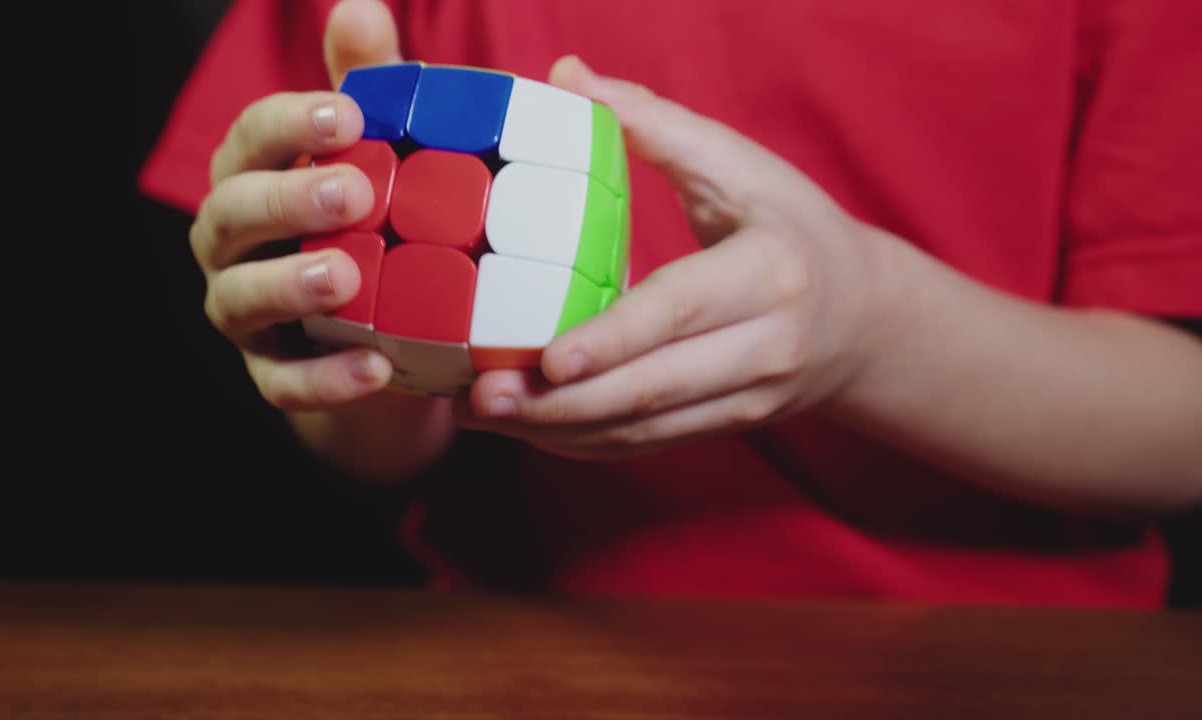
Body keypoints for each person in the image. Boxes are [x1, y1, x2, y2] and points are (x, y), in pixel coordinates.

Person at [139, 0, 1202, 606]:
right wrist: (344, 323)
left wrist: (865, 327)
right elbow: (382, 444)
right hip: (527, 650)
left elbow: (1176, 434)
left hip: (1015, 662)